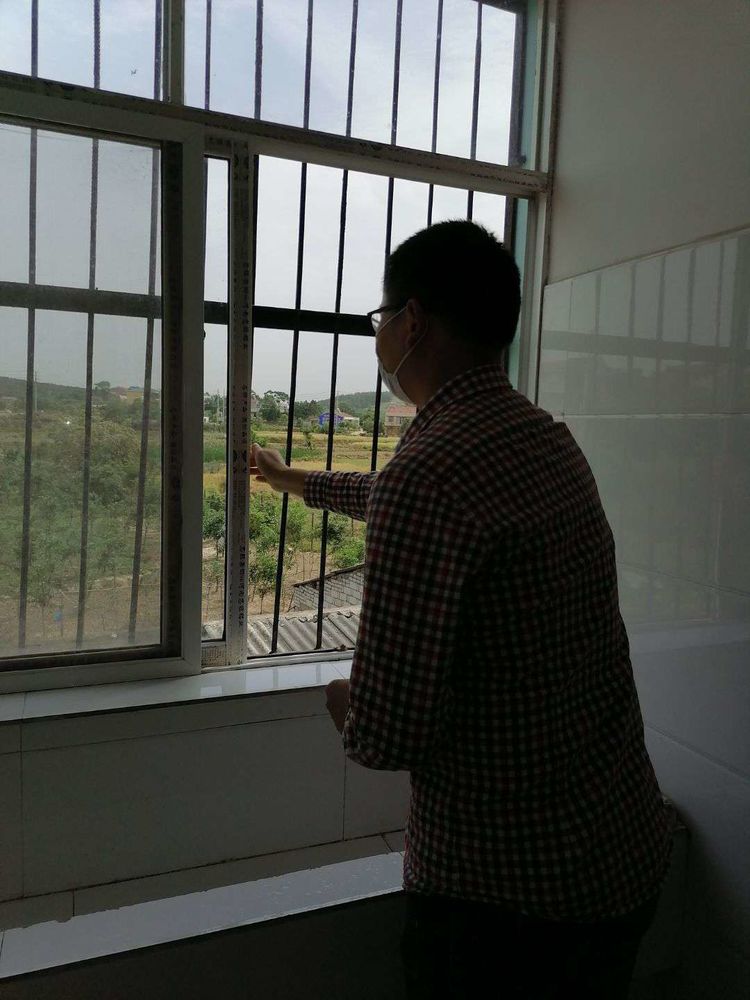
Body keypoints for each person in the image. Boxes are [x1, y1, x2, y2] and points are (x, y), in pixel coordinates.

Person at [250, 220, 672, 999]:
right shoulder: (544, 438)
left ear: (412, 322)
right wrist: (291, 479)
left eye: (380, 320)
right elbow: (398, 495)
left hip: (505, 906)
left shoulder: (431, 474)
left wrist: (343, 701)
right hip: (619, 854)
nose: (378, 338)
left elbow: (387, 735)